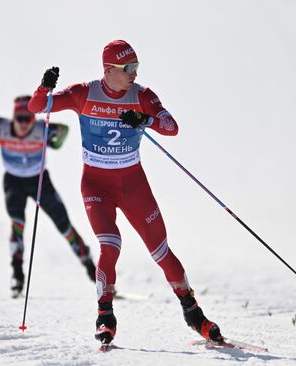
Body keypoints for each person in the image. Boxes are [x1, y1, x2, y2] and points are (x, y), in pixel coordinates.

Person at [28, 40, 223, 347]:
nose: (134, 73)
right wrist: (44, 87)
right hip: (96, 184)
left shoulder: (142, 95)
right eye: (128, 68)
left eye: (136, 67)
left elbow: (171, 127)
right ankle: (105, 315)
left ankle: (193, 312)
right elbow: (37, 108)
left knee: (161, 252)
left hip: (133, 184)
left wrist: (145, 119)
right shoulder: (83, 93)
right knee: (110, 246)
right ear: (108, 70)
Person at [0, 95, 96, 298]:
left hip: (40, 181)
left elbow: (63, 131)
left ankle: (91, 268)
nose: (24, 123)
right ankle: (17, 273)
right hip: (13, 182)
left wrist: (54, 141)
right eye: (20, 118)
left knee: (63, 224)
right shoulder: (2, 127)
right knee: (17, 223)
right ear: (13, 117)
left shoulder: (41, 129)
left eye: (28, 118)